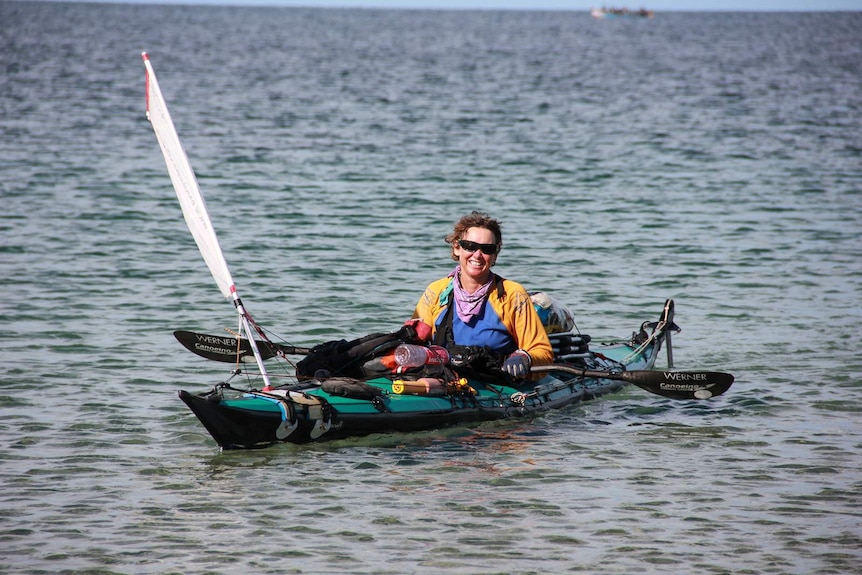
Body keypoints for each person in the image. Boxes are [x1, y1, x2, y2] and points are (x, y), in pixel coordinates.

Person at [410, 211, 553, 379]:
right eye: (470, 246)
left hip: (497, 383)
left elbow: (543, 352)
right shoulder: (436, 290)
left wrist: (525, 357)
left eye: (487, 249)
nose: (477, 255)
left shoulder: (513, 294)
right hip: (447, 380)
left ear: (495, 255)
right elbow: (414, 342)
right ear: (457, 248)